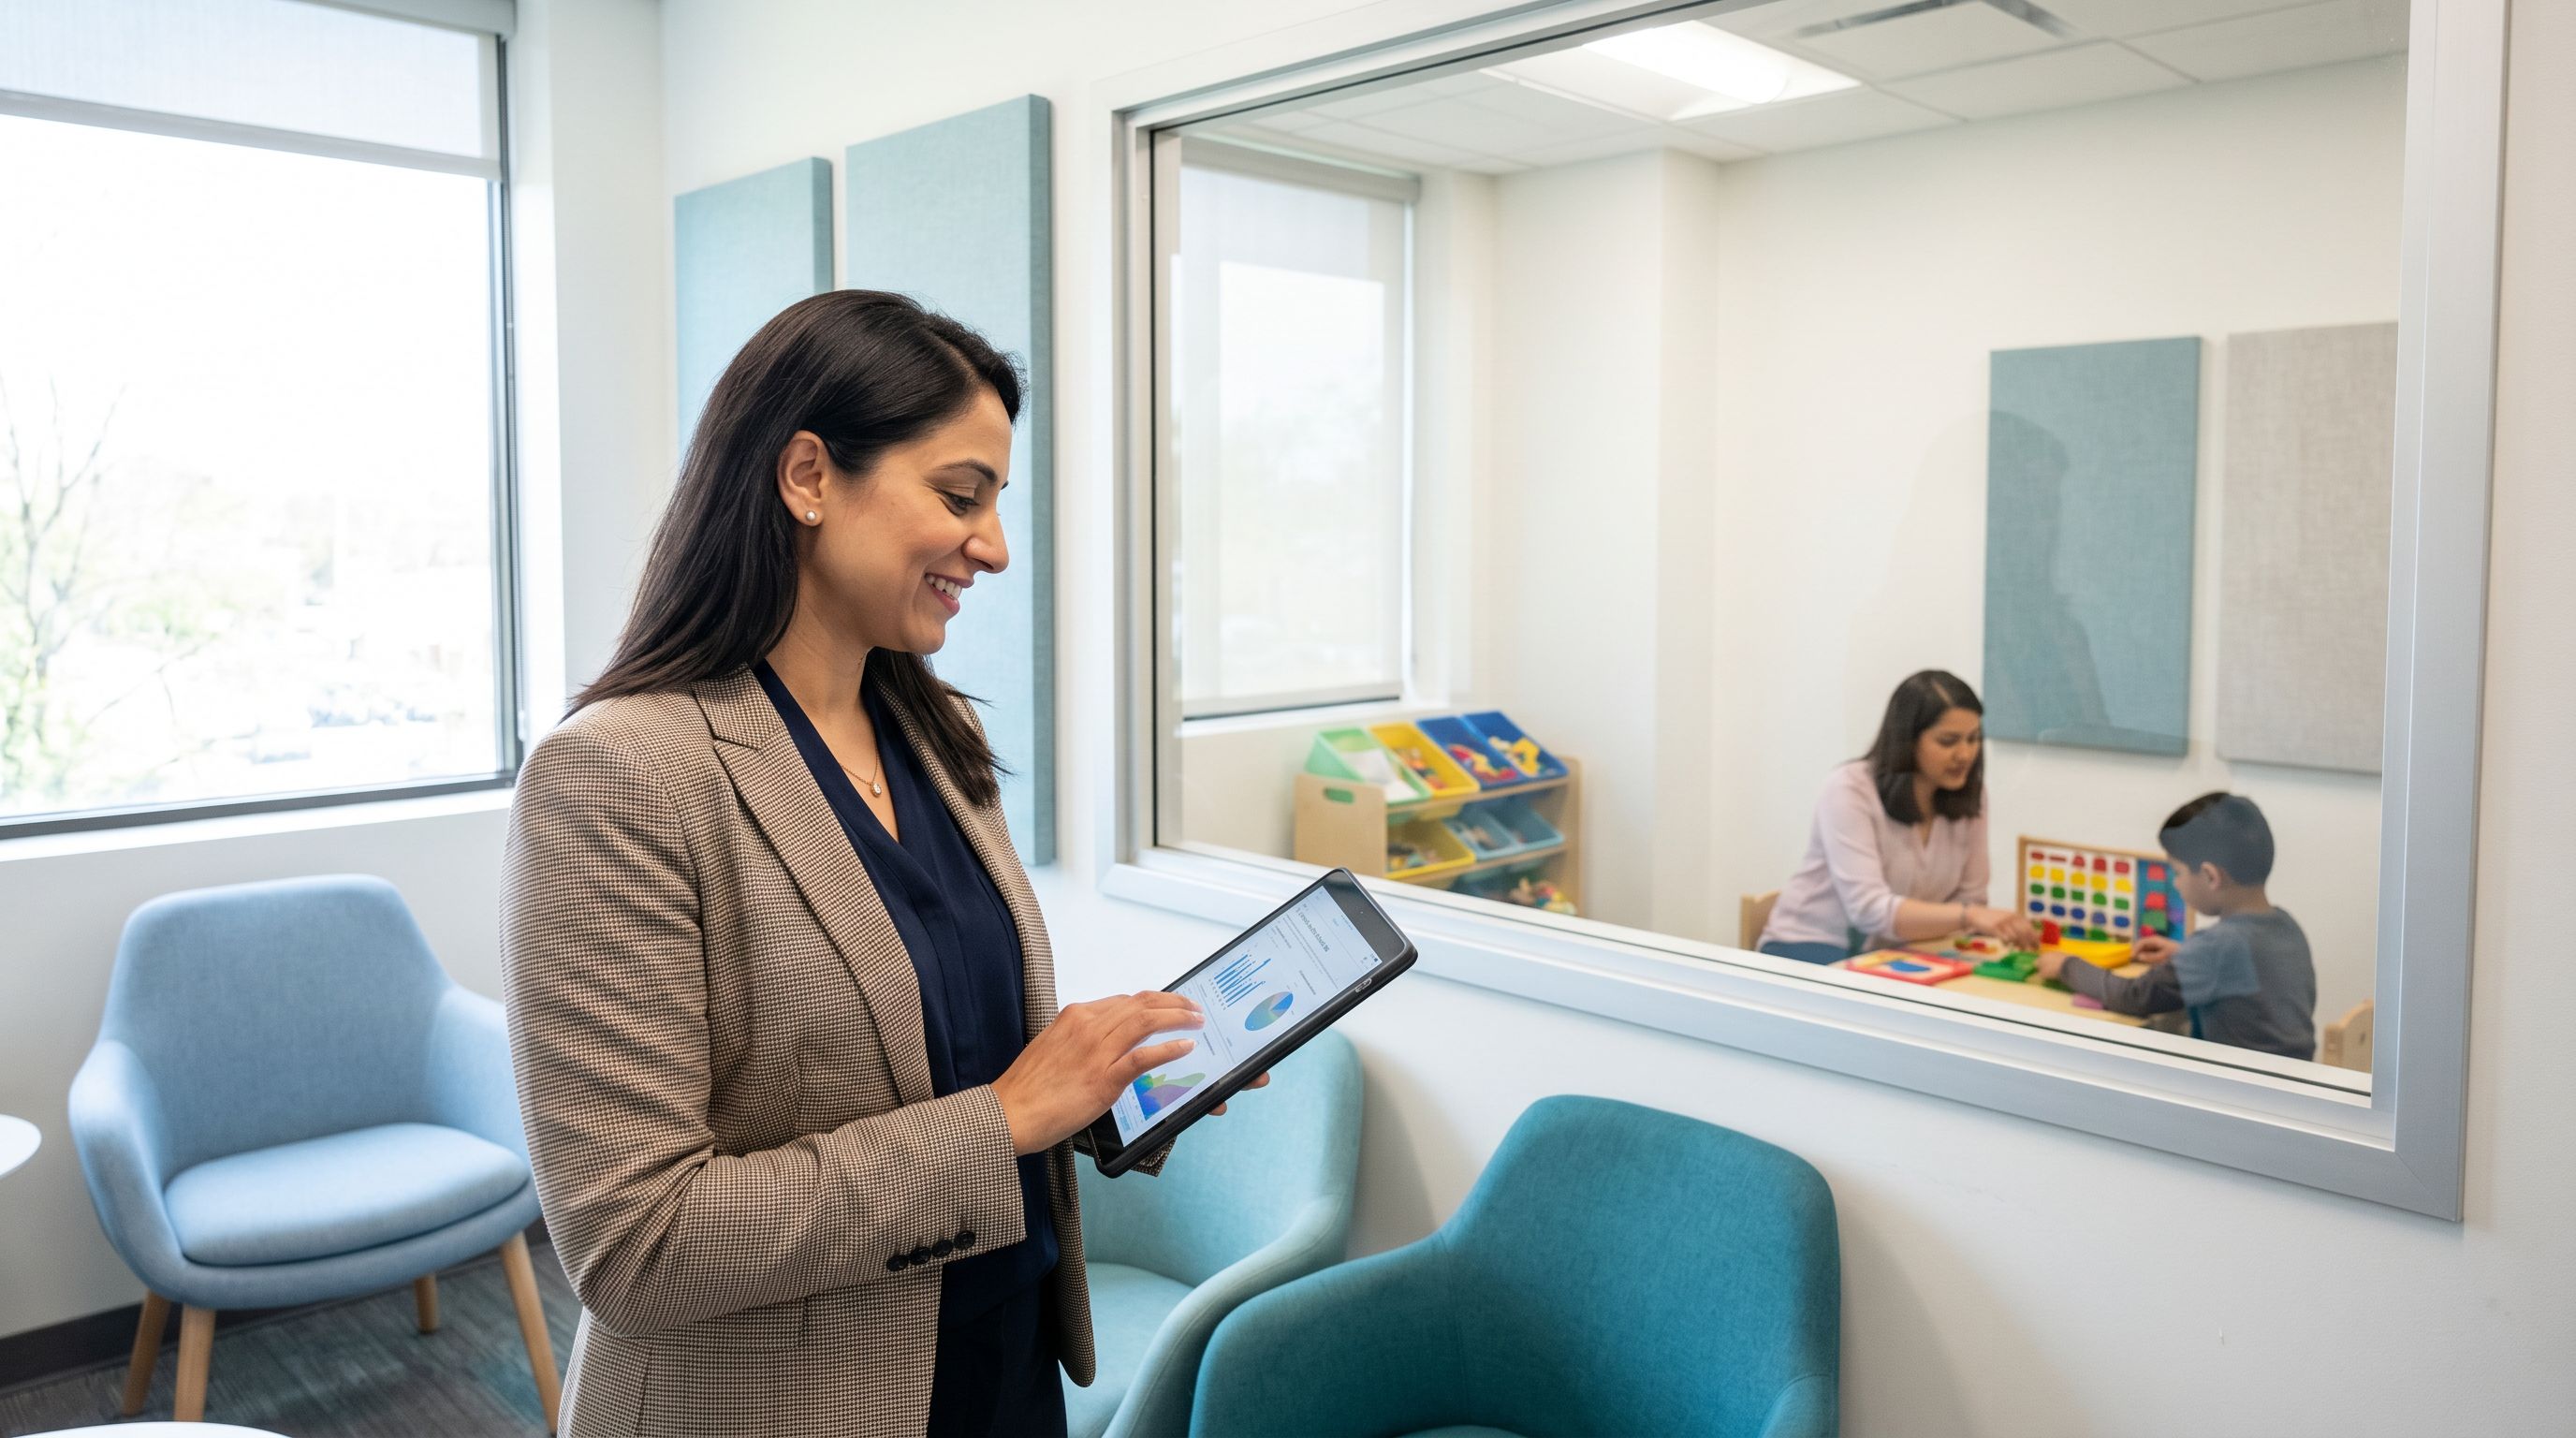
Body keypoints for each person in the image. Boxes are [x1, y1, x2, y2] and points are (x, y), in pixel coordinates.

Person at [500, 291, 1258, 1438]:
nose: (993, 547)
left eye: (997, 503)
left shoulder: (934, 733)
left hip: (1004, 1370)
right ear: (808, 476)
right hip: (786, 1405)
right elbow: (636, 1241)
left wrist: (1111, 1094)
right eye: (960, 497)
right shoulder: (616, 778)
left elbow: (948, 1073)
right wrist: (1005, 1116)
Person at [1759, 670, 2038, 963]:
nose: (1965, 754)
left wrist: (1971, 915)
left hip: (1900, 950)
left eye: (1973, 739)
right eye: (1948, 741)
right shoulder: (1849, 787)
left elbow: (1971, 897)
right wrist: (1969, 916)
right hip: (1811, 946)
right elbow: (1869, 910)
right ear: (1908, 741)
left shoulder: (1972, 795)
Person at [2037, 792, 2317, 1060]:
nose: (2175, 883)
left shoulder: (2215, 948)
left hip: (2238, 1095)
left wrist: (2066, 966)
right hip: (2291, 1085)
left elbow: (2134, 997)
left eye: (2178, 872)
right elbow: (2244, 973)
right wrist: (2183, 953)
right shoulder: (2285, 926)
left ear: (2210, 876)